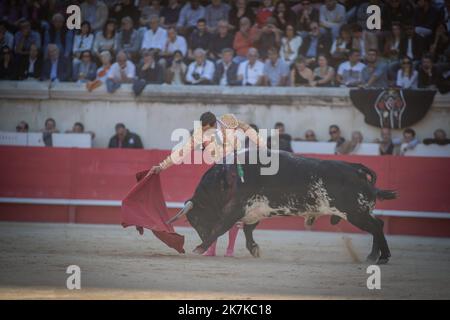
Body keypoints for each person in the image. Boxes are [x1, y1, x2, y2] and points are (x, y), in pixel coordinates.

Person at [146, 112, 267, 257]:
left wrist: (261, 144)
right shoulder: (200, 133)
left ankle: (230, 249)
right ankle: (211, 248)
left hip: (237, 167)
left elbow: (247, 128)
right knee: (214, 210)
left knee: (234, 210)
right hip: (218, 170)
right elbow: (182, 151)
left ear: (215, 123)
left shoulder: (228, 121)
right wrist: (162, 166)